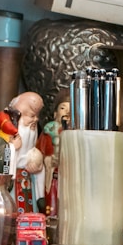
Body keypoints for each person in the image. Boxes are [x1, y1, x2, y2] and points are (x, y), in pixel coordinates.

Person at [36, 89, 70, 218]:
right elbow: (39, 152)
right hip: (52, 174)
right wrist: (47, 160)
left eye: (70, 109)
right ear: (55, 114)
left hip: (69, 175)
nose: (67, 112)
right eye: (63, 108)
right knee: (52, 199)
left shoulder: (75, 132)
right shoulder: (48, 132)